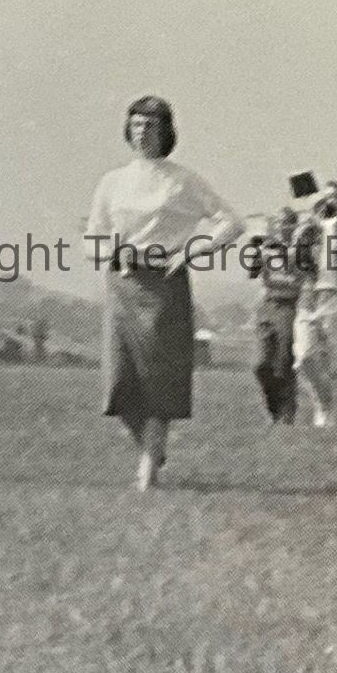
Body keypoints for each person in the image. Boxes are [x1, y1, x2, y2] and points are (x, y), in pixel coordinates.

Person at [86, 95, 244, 490]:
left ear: (167, 131)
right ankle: (151, 447)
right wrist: (110, 252)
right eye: (136, 125)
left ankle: (147, 470)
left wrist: (191, 251)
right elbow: (93, 236)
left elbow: (231, 222)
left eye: (151, 126)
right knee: (121, 380)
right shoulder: (113, 181)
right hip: (122, 282)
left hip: (164, 284)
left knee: (159, 377)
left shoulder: (183, 181)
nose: (143, 133)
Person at [292, 182, 337, 428]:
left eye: (332, 197)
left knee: (336, 360)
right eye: (323, 197)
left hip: (336, 296)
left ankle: (332, 413)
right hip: (309, 296)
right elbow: (298, 262)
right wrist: (305, 229)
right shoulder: (308, 230)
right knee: (303, 356)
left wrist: (335, 220)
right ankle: (323, 400)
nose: (326, 202)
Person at [244, 203, 305, 424]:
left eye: (286, 223)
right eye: (279, 223)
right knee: (260, 365)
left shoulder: (299, 250)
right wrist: (257, 251)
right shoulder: (268, 248)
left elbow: (298, 275)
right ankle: (275, 406)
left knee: (284, 361)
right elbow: (252, 273)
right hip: (267, 305)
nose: (282, 227)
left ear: (294, 226)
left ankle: (287, 411)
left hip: (289, 306)